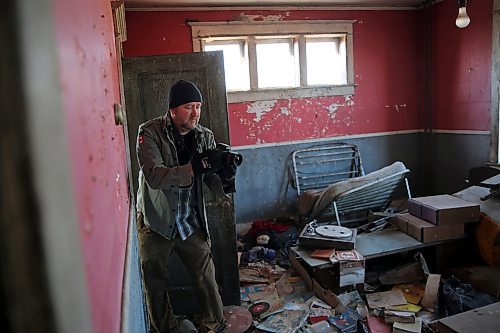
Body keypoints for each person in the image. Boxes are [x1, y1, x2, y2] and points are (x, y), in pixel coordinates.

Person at [135, 80, 241, 333]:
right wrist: (197, 166)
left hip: (189, 219)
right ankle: (166, 329)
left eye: (198, 107)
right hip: (155, 220)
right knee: (155, 283)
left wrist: (226, 176)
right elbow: (154, 176)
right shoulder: (149, 133)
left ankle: (213, 325)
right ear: (172, 110)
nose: (195, 113)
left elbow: (212, 185)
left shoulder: (205, 136)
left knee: (206, 277)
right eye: (188, 107)